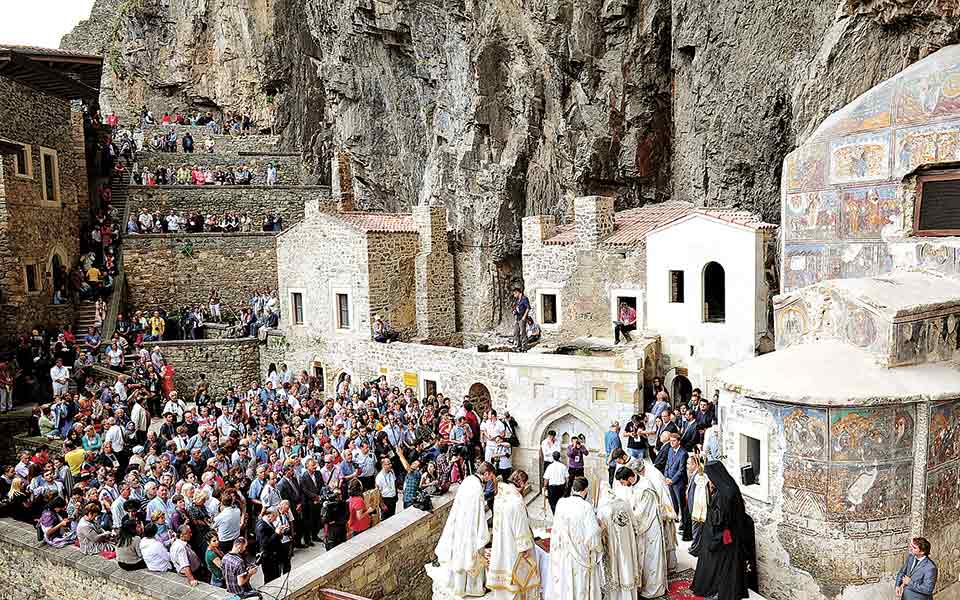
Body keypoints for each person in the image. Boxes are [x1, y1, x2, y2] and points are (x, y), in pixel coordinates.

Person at [692, 461, 756, 600]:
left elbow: (719, 520)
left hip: (723, 537)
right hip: (732, 535)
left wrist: (709, 507)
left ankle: (716, 591)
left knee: (717, 566)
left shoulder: (723, 494)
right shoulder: (730, 487)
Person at [425, 466, 490, 597]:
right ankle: (473, 588)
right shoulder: (477, 488)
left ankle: (457, 586)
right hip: (471, 529)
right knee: (470, 557)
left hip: (460, 525)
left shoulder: (468, 480)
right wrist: (484, 534)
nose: (489, 480)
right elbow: (479, 513)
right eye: (490, 477)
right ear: (486, 473)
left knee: (459, 557)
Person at [615, 464, 667, 598]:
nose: (622, 485)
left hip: (650, 527)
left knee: (651, 559)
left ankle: (654, 589)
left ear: (629, 478)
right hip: (642, 528)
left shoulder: (646, 487)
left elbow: (642, 513)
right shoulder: (632, 486)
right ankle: (641, 585)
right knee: (641, 558)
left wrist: (628, 522)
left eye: (622, 482)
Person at [487, 469, 539, 600]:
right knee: (517, 578)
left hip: (501, 541)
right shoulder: (516, 501)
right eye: (525, 484)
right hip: (513, 546)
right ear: (520, 483)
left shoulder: (500, 495)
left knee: (503, 578)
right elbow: (520, 526)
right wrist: (525, 547)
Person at [550, 477, 603, 600]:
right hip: (580, 554)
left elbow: (556, 528)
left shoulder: (561, 503)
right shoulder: (586, 507)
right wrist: (601, 529)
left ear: (573, 489)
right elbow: (593, 535)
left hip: (563, 552)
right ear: (585, 490)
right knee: (579, 584)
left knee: (566, 582)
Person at [597, 470, 642, 600]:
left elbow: (600, 532)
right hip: (627, 544)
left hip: (613, 546)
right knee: (627, 567)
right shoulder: (624, 504)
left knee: (616, 570)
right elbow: (634, 525)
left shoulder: (603, 510)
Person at [663, 432, 690, 538]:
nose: (671, 443)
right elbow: (667, 464)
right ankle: (675, 518)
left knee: (681, 503)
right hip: (669, 480)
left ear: (679, 442)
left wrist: (672, 480)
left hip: (678, 482)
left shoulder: (683, 453)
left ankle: (684, 523)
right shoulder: (670, 450)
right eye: (670, 441)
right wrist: (666, 476)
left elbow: (682, 469)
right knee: (673, 501)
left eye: (674, 441)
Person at [255, 506, 289, 584]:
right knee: (271, 579)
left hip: (274, 556)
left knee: (276, 576)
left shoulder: (268, 523)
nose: (276, 519)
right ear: (269, 515)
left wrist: (280, 532)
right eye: (275, 517)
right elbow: (264, 544)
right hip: (268, 558)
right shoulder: (261, 526)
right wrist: (276, 533)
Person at [511, 287, 531, 352]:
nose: (514, 296)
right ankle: (517, 346)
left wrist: (524, 317)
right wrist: (514, 311)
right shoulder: (517, 300)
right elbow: (517, 309)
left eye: (514, 294)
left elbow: (528, 308)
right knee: (515, 332)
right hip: (517, 318)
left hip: (522, 318)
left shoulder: (524, 299)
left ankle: (524, 347)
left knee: (523, 332)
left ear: (518, 292)